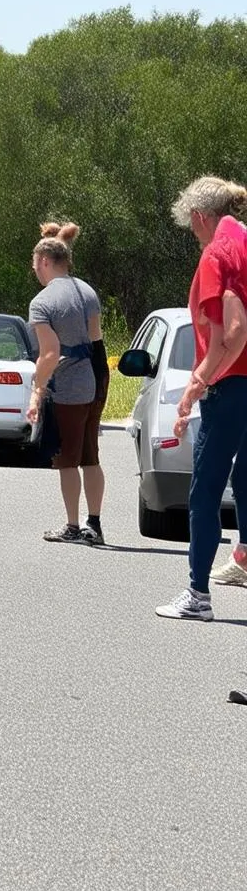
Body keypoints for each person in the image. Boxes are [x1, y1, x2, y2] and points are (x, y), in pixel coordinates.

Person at [157, 176, 247, 622]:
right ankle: (244, 555)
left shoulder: (218, 253)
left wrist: (198, 382)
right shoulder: (245, 242)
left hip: (232, 386)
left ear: (199, 217)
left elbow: (232, 332)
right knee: (246, 479)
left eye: (191, 226)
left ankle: (197, 594)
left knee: (205, 490)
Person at [26, 222, 110, 545]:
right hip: (95, 382)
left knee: (67, 461)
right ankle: (95, 525)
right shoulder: (88, 291)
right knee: (91, 456)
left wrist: (37, 392)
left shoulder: (42, 302)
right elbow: (96, 343)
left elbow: (50, 354)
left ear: (45, 261)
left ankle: (73, 527)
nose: (34, 270)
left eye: (35, 264)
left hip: (70, 388)